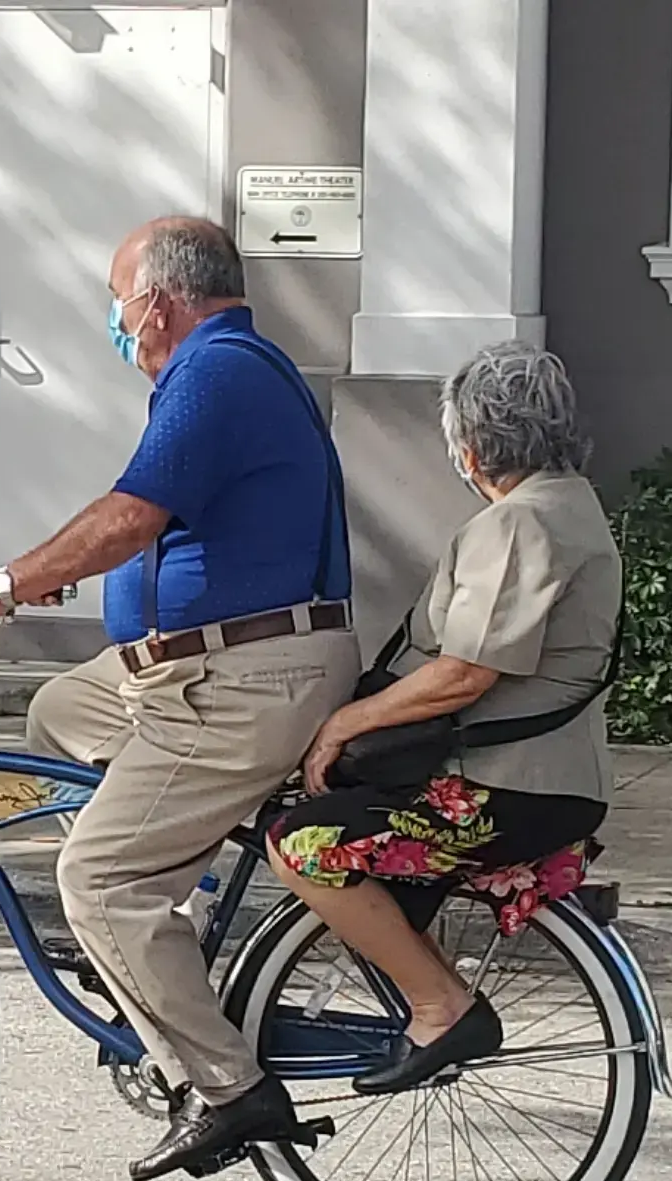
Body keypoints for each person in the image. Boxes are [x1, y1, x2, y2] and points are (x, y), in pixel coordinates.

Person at [0, 216, 356, 1181]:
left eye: (118, 306)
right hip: (199, 669)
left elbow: (129, 516)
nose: (118, 327)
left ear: (157, 303)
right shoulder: (225, 368)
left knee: (98, 879)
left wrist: (1, 585)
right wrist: (47, 580)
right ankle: (175, 930)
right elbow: (163, 530)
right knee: (59, 715)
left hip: (242, 682)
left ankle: (228, 1089)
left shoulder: (219, 372)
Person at [264, 340, 622, 1093]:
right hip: (548, 779)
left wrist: (344, 724)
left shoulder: (521, 524)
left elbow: (464, 672)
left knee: (302, 844)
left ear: (471, 445)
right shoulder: (573, 506)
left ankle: (441, 1007)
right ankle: (425, 994)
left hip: (506, 785)